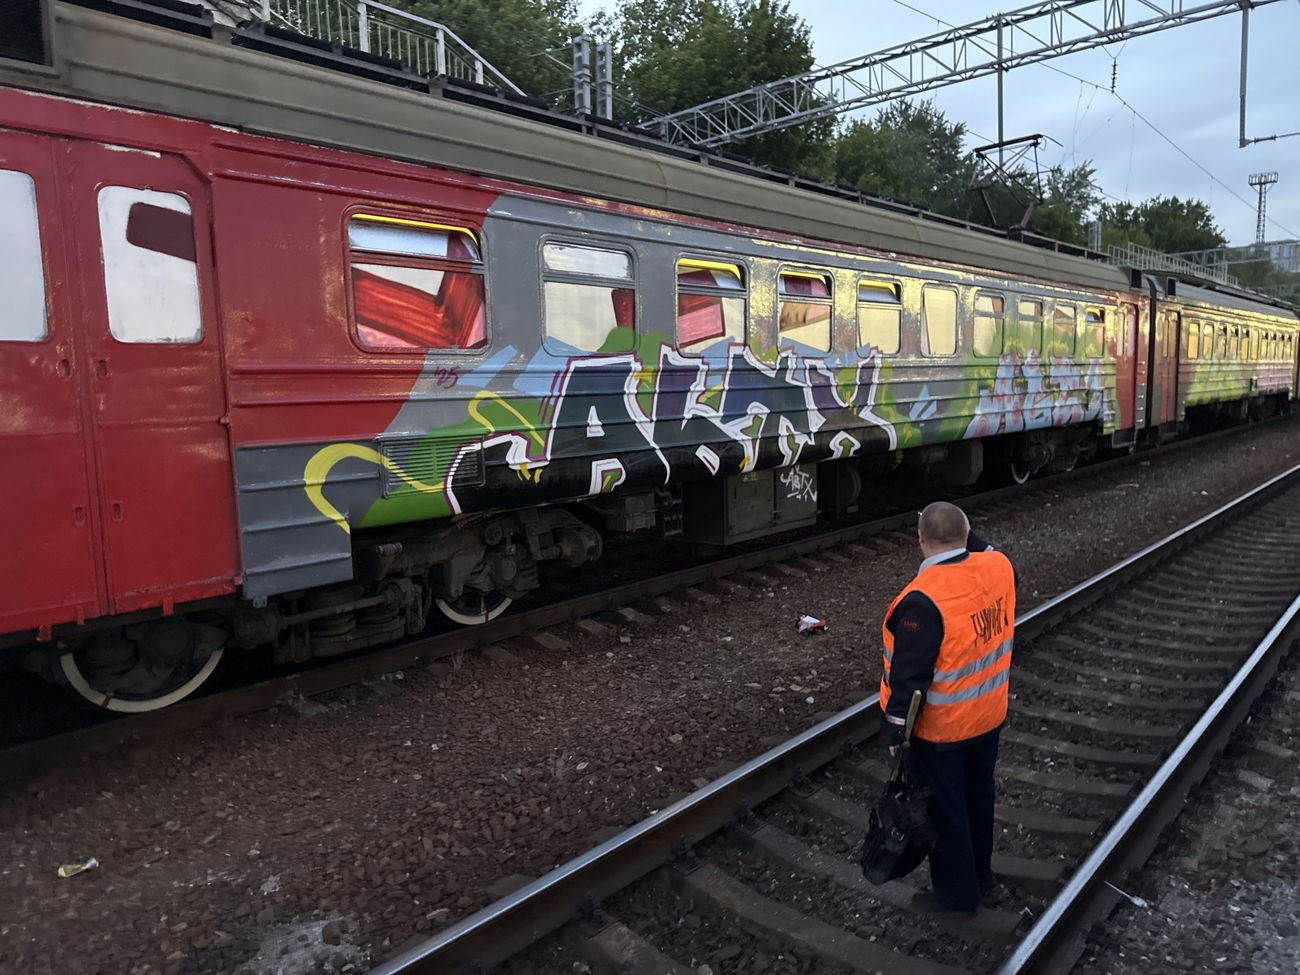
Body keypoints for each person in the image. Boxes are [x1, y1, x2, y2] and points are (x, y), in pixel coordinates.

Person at [879, 501, 1016, 916]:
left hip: (943, 732)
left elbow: (908, 681)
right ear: (968, 533)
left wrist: (895, 738)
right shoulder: (999, 568)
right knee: (979, 798)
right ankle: (984, 880)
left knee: (947, 813)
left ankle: (958, 898)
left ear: (920, 540)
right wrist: (957, 525)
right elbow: (978, 544)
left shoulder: (921, 601)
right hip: (987, 718)